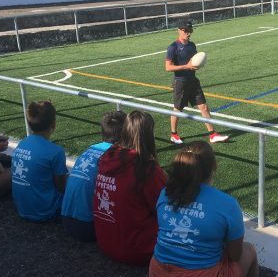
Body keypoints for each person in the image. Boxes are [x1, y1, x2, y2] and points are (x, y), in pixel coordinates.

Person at [150, 141, 259, 277]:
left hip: (158, 275)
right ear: (214, 166)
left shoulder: (165, 193)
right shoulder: (227, 204)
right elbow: (235, 255)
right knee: (249, 250)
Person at [93, 110, 166, 265]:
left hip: (105, 241)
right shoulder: (146, 168)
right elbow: (165, 208)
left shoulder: (106, 157)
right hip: (136, 249)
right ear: (149, 135)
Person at [62, 110, 126, 242]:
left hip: (65, 219)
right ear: (126, 134)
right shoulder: (116, 156)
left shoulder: (91, 148)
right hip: (88, 226)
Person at [165, 21, 229, 145]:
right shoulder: (173, 47)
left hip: (193, 81)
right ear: (179, 30)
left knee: (203, 106)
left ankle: (213, 134)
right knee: (177, 109)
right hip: (180, 83)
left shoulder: (192, 45)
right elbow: (168, 67)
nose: (188, 33)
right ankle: (173, 134)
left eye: (190, 31)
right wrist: (186, 66)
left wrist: (197, 65)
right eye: (186, 31)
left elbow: (194, 61)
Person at [11, 101, 68, 221]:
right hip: (46, 212)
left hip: (22, 209)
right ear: (53, 124)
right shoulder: (56, 151)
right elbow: (62, 187)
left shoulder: (22, 143)